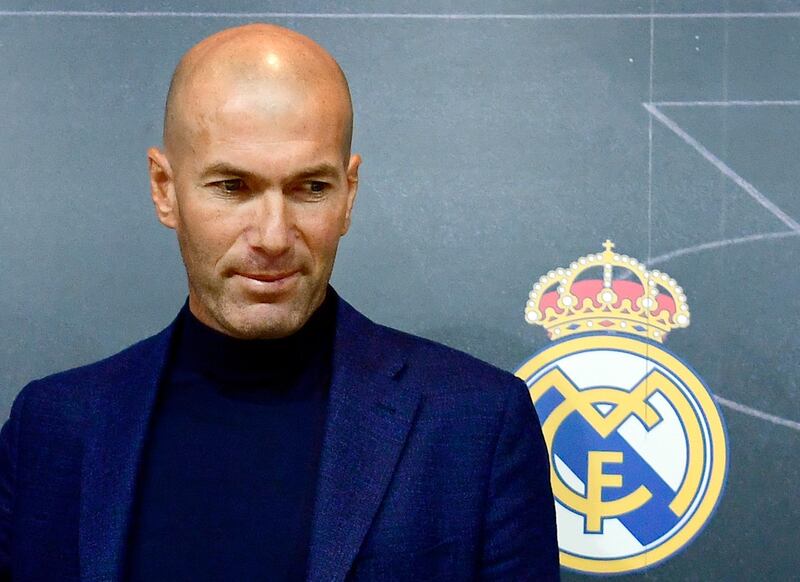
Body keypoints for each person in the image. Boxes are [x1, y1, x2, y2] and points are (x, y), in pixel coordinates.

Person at [0, 23, 558, 581]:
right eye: (232, 187)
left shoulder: (475, 424)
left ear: (348, 194)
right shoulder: (51, 428)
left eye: (310, 188)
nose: (272, 236)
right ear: (165, 189)